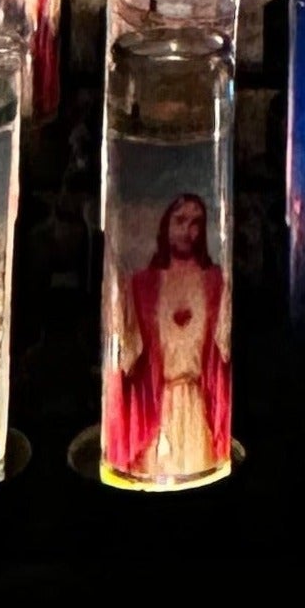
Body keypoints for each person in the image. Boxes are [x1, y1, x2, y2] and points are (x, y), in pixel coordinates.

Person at [105, 191, 231, 483]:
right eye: (180, 220)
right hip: (158, 411)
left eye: (196, 223)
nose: (188, 231)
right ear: (166, 225)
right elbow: (128, 356)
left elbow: (221, 352)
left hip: (197, 409)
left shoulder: (214, 282)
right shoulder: (143, 285)